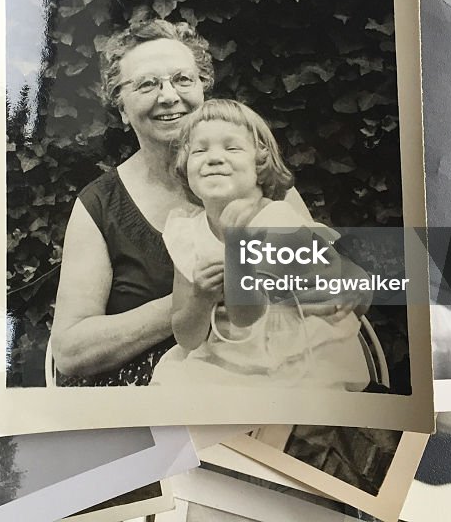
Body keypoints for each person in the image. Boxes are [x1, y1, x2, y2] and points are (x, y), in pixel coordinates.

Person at [151, 99, 370, 387]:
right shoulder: (187, 232)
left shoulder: (277, 221)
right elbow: (187, 338)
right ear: (185, 167)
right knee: (174, 383)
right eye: (200, 150)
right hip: (227, 354)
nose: (214, 158)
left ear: (260, 165)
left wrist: (236, 248)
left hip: (293, 352)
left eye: (232, 148)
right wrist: (200, 300)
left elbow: (246, 315)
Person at [50, 18, 213, 386]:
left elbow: (333, 286)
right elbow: (69, 351)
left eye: (183, 79)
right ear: (121, 108)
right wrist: (194, 300)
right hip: (142, 406)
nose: (169, 95)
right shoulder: (100, 206)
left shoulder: (259, 177)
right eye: (147, 85)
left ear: (203, 89)